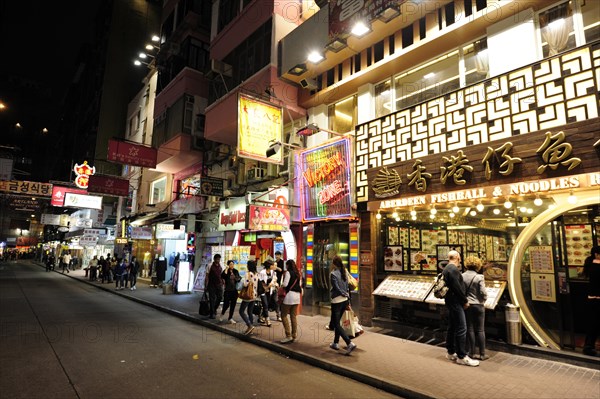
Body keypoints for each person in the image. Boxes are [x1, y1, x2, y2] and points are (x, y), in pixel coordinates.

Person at [443, 250, 479, 366]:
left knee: (452, 327)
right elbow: (457, 288)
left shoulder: (446, 269)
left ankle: (450, 351)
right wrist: (464, 301)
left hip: (450, 301)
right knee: (462, 328)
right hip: (456, 302)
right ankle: (462, 356)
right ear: (458, 257)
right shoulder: (453, 270)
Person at [329, 255, 357, 355]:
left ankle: (349, 343)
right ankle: (335, 343)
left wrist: (342, 293)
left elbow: (336, 288)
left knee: (336, 324)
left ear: (334, 263)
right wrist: (346, 295)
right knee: (338, 322)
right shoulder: (345, 272)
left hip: (336, 301)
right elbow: (347, 287)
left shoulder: (333, 274)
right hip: (344, 300)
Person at [463, 256, 488, 360]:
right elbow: (483, 292)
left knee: (470, 329)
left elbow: (461, 291)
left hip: (468, 305)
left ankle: (472, 353)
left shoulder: (462, 276)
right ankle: (482, 354)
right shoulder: (479, 277)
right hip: (478, 305)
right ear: (478, 265)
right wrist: (484, 299)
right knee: (480, 330)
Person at [280, 259, 303, 344]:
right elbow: (300, 284)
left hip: (289, 296)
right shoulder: (298, 274)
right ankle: (294, 335)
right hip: (297, 297)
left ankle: (288, 335)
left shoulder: (288, 273)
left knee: (284, 315)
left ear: (288, 265)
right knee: (293, 316)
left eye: (286, 265)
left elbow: (285, 284)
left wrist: (281, 285)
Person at [582, 246, 600, 357]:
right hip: (597, 299)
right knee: (595, 323)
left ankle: (589, 345)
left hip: (592, 298)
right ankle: (589, 346)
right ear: (597, 254)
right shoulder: (596, 266)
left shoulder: (590, 263)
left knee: (593, 323)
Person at [239, 260, 258, 335]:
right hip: (254, 295)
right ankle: (251, 328)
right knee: (250, 311)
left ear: (249, 266)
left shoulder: (248, 274)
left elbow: (245, 284)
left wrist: (242, 281)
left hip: (248, 295)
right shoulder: (256, 274)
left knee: (241, 311)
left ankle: (249, 325)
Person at [258, 259, 277, 326]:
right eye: (272, 265)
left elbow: (275, 279)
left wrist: (272, 283)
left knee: (267, 305)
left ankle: (261, 316)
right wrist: (266, 287)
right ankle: (267, 320)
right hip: (263, 291)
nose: (273, 266)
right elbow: (260, 282)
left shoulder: (273, 272)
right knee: (265, 304)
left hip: (269, 291)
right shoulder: (262, 272)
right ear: (269, 265)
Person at [206, 254, 224, 319]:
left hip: (219, 284)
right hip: (211, 284)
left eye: (219, 259)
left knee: (220, 297)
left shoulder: (221, 265)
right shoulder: (210, 265)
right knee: (212, 299)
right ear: (214, 259)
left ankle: (214, 309)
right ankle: (212, 313)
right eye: (217, 259)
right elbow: (207, 275)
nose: (218, 260)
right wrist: (206, 284)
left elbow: (222, 275)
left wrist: (223, 282)